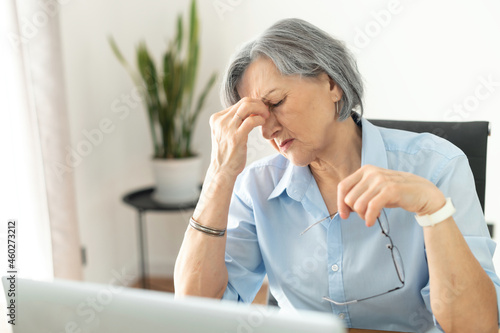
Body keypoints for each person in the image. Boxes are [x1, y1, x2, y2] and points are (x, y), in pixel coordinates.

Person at [174, 18, 499, 332]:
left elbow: (475, 327)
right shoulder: (256, 188)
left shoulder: (437, 167)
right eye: (258, 118)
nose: (268, 130)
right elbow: (195, 314)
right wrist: (220, 172)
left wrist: (433, 211)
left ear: (332, 85)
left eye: (276, 102)